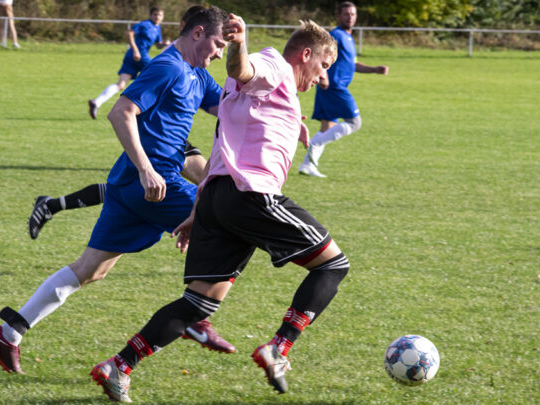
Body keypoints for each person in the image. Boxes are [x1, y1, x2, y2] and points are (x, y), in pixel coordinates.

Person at [90, 15, 347, 401]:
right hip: (251, 196)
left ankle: (119, 366)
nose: (323, 78)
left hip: (217, 197)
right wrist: (239, 44)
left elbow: (227, 138)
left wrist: (200, 207)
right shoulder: (273, 64)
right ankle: (279, 348)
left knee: (199, 302)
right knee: (332, 265)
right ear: (305, 54)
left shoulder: (274, 95)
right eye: (323, 66)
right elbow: (243, 69)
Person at [0, 6, 233, 375]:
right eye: (217, 43)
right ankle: (196, 315)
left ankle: (10, 331)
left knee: (90, 270)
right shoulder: (169, 67)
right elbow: (121, 112)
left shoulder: (197, 73)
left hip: (127, 186)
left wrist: (284, 113)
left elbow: (232, 105)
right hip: (153, 183)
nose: (220, 53)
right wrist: (147, 169)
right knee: (226, 225)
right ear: (197, 33)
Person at [29, 7, 209, 240]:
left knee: (123, 189)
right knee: (209, 190)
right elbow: (132, 103)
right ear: (192, 28)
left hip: (168, 138)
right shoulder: (173, 58)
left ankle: (51, 205)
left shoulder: (186, 56)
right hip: (154, 136)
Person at [28, 141, 205, 239]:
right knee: (131, 190)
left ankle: (51, 205)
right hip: (162, 140)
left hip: (170, 139)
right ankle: (50, 205)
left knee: (128, 190)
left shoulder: (202, 80)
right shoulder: (175, 75)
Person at [298, 1, 389, 178]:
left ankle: (307, 165)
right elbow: (318, 55)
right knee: (355, 122)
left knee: (328, 127)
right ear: (338, 16)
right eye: (346, 14)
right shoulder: (335, 36)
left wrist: (374, 69)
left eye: (353, 14)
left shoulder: (348, 37)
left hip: (332, 88)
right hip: (335, 87)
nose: (350, 17)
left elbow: (352, 64)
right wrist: (323, 76)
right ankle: (314, 144)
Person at [88, 7, 172, 119]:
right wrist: (135, 50)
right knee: (159, 74)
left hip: (137, 55)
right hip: (137, 55)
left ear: (163, 17)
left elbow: (157, 44)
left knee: (121, 84)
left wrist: (164, 44)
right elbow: (129, 33)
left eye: (160, 15)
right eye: (155, 14)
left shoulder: (157, 28)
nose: (157, 17)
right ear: (150, 15)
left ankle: (96, 102)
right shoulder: (144, 24)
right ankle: (155, 110)